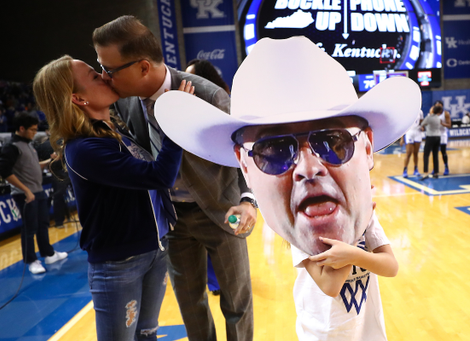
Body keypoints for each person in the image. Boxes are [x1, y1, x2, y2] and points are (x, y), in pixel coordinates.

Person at [155, 37, 421, 340]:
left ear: (367, 148)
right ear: (245, 166)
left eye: (333, 143)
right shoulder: (301, 223)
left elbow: (390, 266)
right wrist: (353, 238)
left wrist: (353, 244)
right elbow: (330, 286)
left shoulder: (363, 217)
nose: (309, 169)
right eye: (276, 151)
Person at [93, 15, 257, 341]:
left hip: (222, 210)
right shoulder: (125, 104)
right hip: (173, 219)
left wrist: (248, 199)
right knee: (189, 303)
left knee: (237, 302)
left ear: (142, 67)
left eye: (109, 70)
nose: (103, 77)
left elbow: (245, 152)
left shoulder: (206, 95)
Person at [32, 55, 184, 341]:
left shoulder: (112, 130)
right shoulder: (84, 149)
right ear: (78, 98)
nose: (103, 76)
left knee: (148, 334)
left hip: (154, 249)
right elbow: (159, 176)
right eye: (93, 76)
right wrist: (177, 122)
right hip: (119, 263)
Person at [0, 112, 68, 274]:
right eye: (32, 130)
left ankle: (48, 253)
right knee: (30, 228)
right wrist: (26, 190)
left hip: (38, 191)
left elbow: (34, 165)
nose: (35, 132)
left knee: (43, 224)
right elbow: (5, 172)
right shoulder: (11, 147)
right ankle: (31, 260)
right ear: (21, 128)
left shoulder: (28, 145)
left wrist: (51, 161)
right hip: (25, 194)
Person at [184, 58, 230, 295]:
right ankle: (215, 283)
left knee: (224, 238)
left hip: (220, 186)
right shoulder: (186, 107)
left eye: (193, 75)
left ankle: (225, 280)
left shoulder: (220, 100)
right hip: (195, 189)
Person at [420, 105, 443, 179]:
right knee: (435, 155)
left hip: (430, 137)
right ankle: (436, 173)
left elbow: (422, 124)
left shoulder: (429, 118)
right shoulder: (438, 118)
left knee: (426, 155)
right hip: (438, 137)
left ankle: (426, 173)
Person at [401, 110, 423, 177]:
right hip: (410, 132)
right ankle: (405, 170)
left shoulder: (420, 112)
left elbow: (421, 122)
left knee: (416, 153)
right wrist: (402, 138)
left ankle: (416, 169)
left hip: (418, 132)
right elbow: (404, 126)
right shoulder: (408, 111)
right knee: (408, 153)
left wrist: (423, 127)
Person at [432, 100, 451, 175]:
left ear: (442, 106)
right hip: (434, 134)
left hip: (443, 134)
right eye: (437, 105)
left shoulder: (445, 113)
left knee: (443, 152)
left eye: (440, 105)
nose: (438, 106)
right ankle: (435, 168)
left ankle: (446, 167)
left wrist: (442, 123)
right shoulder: (432, 113)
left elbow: (449, 125)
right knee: (434, 153)